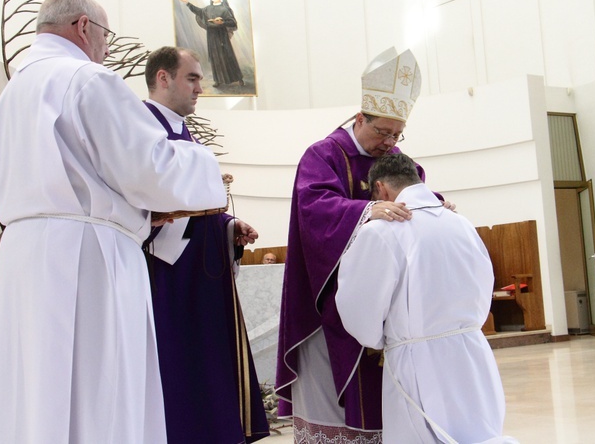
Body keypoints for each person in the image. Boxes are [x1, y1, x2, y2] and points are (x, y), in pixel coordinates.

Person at [0, 0, 229, 443]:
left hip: (26, 252)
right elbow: (147, 167)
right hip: (89, 255)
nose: (108, 48)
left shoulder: (13, 92)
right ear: (84, 27)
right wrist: (205, 166)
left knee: (36, 387)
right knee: (100, 385)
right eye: (105, 35)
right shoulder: (87, 78)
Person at [275, 48, 453, 442]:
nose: (389, 142)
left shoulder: (396, 160)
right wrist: (368, 209)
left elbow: (412, 193)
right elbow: (314, 207)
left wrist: (434, 202)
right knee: (333, 400)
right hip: (328, 303)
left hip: (388, 311)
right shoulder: (323, 155)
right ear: (360, 118)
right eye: (381, 132)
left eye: (396, 133)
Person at [337, 154, 517, 444]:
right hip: (472, 352)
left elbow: (358, 305)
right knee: (479, 432)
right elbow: (485, 281)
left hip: (418, 360)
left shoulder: (381, 231)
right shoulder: (461, 224)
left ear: (381, 189)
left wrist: (380, 340)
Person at [142, 46, 269, 443]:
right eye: (192, 78)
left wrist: (228, 227)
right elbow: (143, 200)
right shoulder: (141, 125)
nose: (201, 87)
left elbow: (195, 203)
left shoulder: (182, 130)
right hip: (168, 276)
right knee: (178, 366)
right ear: (163, 78)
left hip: (200, 275)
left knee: (207, 364)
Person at [179, 0, 244, 88]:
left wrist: (222, 22)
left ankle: (238, 78)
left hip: (222, 36)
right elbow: (198, 11)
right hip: (211, 36)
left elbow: (233, 22)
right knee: (215, 58)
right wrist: (187, 3)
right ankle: (218, 80)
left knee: (227, 57)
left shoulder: (225, 9)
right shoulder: (207, 9)